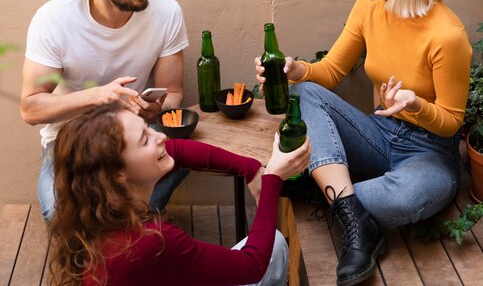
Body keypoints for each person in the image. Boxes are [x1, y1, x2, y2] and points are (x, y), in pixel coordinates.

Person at [255, 0, 472, 286]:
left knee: (407, 198)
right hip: (378, 133)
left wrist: (416, 105)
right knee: (304, 93)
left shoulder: (447, 35)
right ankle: (357, 221)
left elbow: (452, 120)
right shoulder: (369, 6)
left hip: (429, 153)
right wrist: (296, 70)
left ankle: (337, 198)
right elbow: (330, 72)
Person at [20, 0, 190, 222]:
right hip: (73, 140)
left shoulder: (167, 13)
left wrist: (155, 109)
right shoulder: (54, 20)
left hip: (138, 131)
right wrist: (99, 97)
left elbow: (175, 93)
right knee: (63, 217)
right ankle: (132, 224)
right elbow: (31, 108)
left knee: (191, 147)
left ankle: (134, 221)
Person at [48, 102, 310, 286]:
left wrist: (250, 168)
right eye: (145, 139)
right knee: (274, 247)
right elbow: (252, 266)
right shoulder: (150, 242)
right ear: (118, 173)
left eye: (148, 128)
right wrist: (273, 178)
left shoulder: (99, 209)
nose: (160, 136)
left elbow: (178, 150)